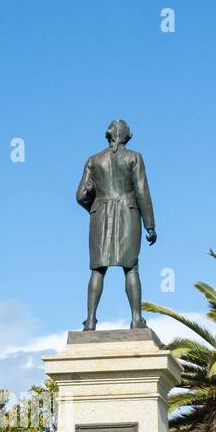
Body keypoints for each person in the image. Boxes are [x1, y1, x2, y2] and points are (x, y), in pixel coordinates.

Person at [76, 119, 156, 330]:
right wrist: (150, 225)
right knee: (131, 267)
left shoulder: (93, 160)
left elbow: (81, 195)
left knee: (97, 269)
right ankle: (136, 319)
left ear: (109, 135)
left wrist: (95, 209)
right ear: (127, 136)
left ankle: (91, 320)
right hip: (128, 213)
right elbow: (142, 192)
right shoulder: (134, 158)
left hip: (99, 214)